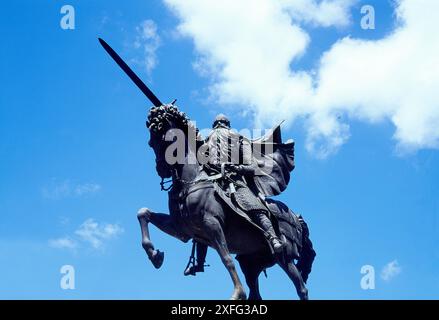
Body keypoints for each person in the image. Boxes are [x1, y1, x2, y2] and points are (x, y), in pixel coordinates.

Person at [184, 114, 284, 276]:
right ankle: (199, 263)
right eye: (216, 125)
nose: (219, 128)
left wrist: (236, 168)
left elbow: (252, 167)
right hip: (212, 180)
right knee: (201, 211)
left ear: (227, 125)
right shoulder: (209, 139)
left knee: (252, 204)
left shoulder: (239, 139)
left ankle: (273, 238)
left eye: (220, 124)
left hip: (235, 180)